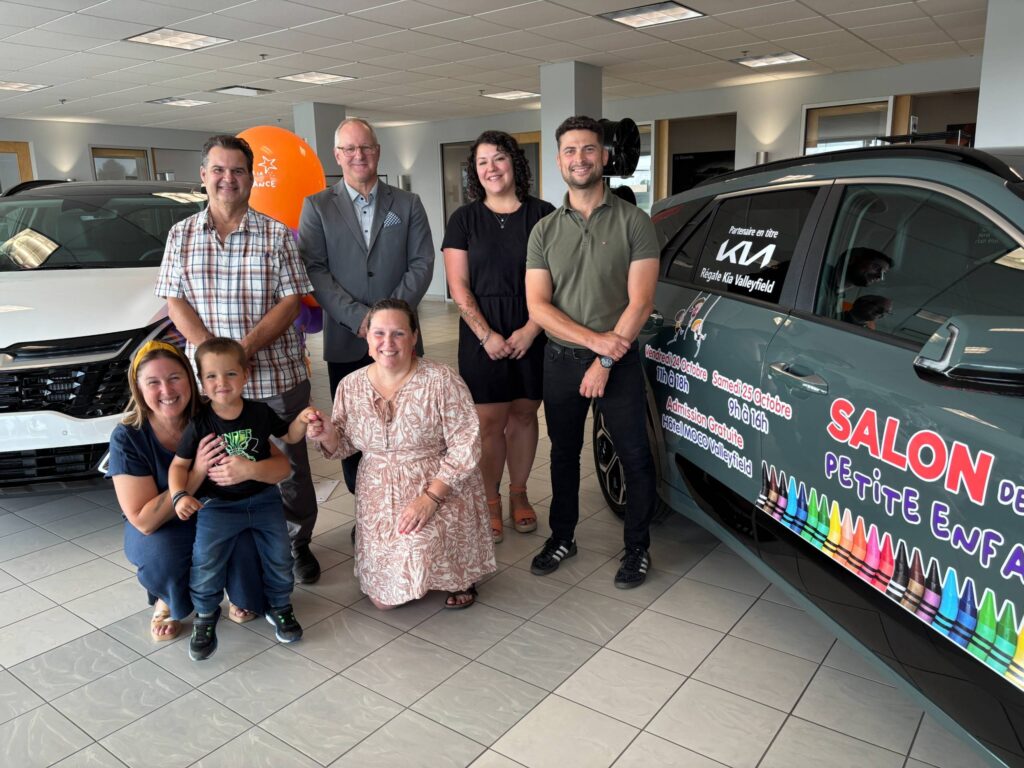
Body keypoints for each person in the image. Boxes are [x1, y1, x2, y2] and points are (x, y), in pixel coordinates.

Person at [155, 135, 322, 585]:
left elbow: (291, 301)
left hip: (275, 374)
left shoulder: (274, 234)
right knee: (210, 460)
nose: (228, 178)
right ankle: (226, 544)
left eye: (238, 171)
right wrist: (215, 363)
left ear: (251, 178)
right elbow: (175, 301)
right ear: (204, 176)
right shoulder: (181, 235)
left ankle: (296, 543)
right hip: (211, 386)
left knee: (287, 462)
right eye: (219, 170)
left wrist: (240, 354)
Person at [525, 115, 660, 589]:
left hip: (618, 363)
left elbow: (640, 301)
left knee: (635, 455)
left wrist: (606, 358)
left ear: (603, 157)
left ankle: (637, 548)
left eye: (588, 150)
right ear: (559, 159)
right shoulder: (543, 230)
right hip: (561, 362)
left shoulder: (634, 221)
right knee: (563, 453)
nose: (578, 159)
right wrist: (592, 343)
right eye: (569, 151)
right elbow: (538, 306)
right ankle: (563, 536)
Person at [302, 299, 495, 610]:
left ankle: (459, 574)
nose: (387, 343)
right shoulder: (350, 386)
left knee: (422, 551)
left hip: (438, 485)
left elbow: (466, 444)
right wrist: (326, 432)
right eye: (378, 333)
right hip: (380, 493)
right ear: (366, 337)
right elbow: (345, 444)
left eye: (398, 334)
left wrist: (430, 499)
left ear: (414, 337)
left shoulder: (441, 380)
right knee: (383, 602)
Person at [299, 118, 435, 497]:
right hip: (348, 338)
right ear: (337, 155)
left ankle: (406, 503)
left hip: (401, 343)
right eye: (350, 149)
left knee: (406, 426)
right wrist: (361, 319)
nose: (359, 155)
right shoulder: (317, 207)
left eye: (366, 147)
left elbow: (422, 262)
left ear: (377, 151)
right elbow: (315, 270)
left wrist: (387, 324)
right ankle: (367, 510)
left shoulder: (407, 204)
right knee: (353, 432)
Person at [107, 341, 275, 642]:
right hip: (163, 526)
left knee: (251, 541)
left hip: (222, 511)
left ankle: (239, 591)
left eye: (174, 378)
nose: (167, 391)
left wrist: (252, 470)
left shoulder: (218, 412)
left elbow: (278, 461)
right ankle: (169, 598)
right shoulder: (128, 436)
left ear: (190, 378)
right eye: (153, 382)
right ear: (138, 388)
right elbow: (144, 521)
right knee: (163, 554)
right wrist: (195, 473)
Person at [442, 130, 554, 544]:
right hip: (480, 333)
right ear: (475, 171)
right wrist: (487, 335)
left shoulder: (544, 214)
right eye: (483, 161)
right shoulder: (464, 220)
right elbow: (459, 287)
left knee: (524, 414)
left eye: (499, 158)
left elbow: (557, 282)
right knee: (489, 422)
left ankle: (519, 494)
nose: (491, 168)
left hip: (533, 327)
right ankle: (489, 499)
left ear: (516, 163)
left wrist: (531, 329)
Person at [169, 338, 311, 661]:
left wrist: (302, 420)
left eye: (231, 374)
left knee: (279, 555)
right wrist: (179, 495)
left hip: (263, 500)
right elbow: (179, 465)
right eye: (212, 377)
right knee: (206, 560)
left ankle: (281, 606)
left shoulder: (260, 413)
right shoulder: (200, 422)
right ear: (202, 382)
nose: (222, 384)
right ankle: (206, 615)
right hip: (217, 506)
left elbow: (288, 436)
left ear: (246, 375)